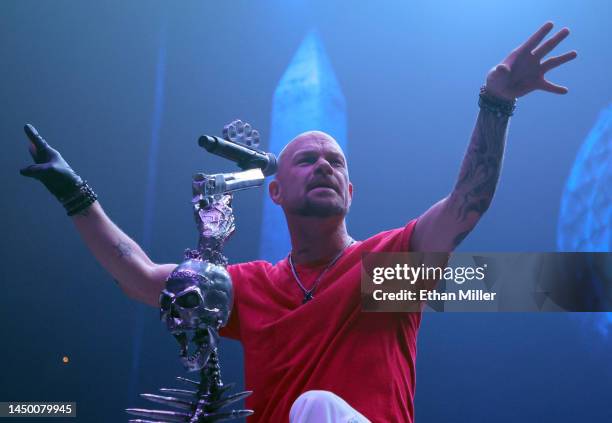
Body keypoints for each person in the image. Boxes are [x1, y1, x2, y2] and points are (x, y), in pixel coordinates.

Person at [20, 22, 576, 423]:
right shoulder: (251, 288)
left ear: (351, 192)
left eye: (336, 161)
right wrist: (74, 193)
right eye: (307, 160)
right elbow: (139, 277)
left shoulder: (385, 271)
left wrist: (496, 101)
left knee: (314, 407)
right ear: (277, 191)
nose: (325, 167)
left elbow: (466, 205)